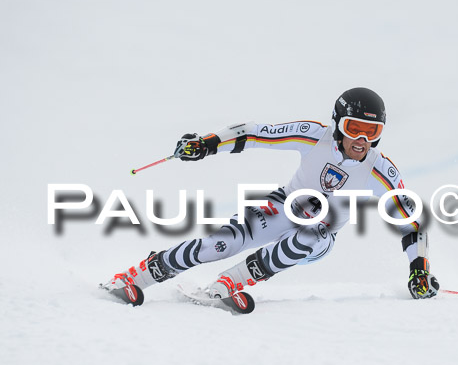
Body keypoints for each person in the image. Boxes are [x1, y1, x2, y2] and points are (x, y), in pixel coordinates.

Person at [101, 88, 440, 306]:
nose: (362, 141)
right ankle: (139, 275)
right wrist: (205, 144)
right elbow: (254, 133)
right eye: (354, 129)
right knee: (221, 244)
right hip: (281, 207)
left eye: (372, 133)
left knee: (312, 233)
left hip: (319, 234)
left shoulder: (381, 171)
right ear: (338, 125)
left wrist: (419, 270)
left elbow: (411, 224)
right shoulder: (313, 137)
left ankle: (232, 282)